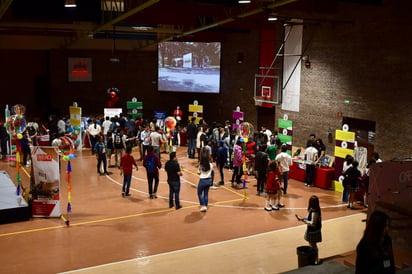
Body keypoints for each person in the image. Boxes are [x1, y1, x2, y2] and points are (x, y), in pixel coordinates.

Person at [295, 195, 322, 264]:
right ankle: (313, 258)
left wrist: (303, 220)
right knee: (312, 244)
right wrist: (302, 219)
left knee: (313, 245)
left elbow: (313, 223)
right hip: (313, 230)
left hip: (313, 231)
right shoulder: (313, 209)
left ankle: (315, 258)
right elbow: (307, 218)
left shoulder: (314, 212)